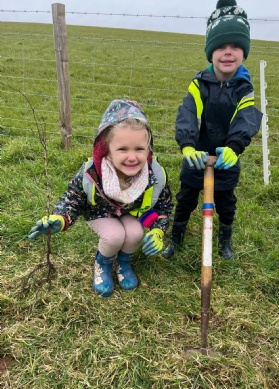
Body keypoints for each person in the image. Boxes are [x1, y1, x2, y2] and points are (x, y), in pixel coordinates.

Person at [28, 99, 173, 297]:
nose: (132, 157)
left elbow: (163, 207)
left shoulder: (153, 174)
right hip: (99, 212)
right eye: (122, 149)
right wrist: (61, 218)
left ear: (148, 149)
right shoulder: (93, 172)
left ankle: (123, 263)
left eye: (139, 149)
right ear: (107, 151)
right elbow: (73, 197)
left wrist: (157, 231)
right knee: (114, 236)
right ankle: (103, 263)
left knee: (135, 233)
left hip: (136, 211)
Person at [163, 0, 262, 260]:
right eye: (220, 46)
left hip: (225, 159)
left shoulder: (244, 88)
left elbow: (246, 118)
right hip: (197, 155)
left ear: (244, 51)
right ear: (210, 51)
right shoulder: (200, 83)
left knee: (226, 203)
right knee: (185, 199)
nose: (227, 52)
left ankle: (224, 239)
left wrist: (234, 148)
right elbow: (187, 114)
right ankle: (176, 235)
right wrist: (187, 145)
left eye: (235, 46)